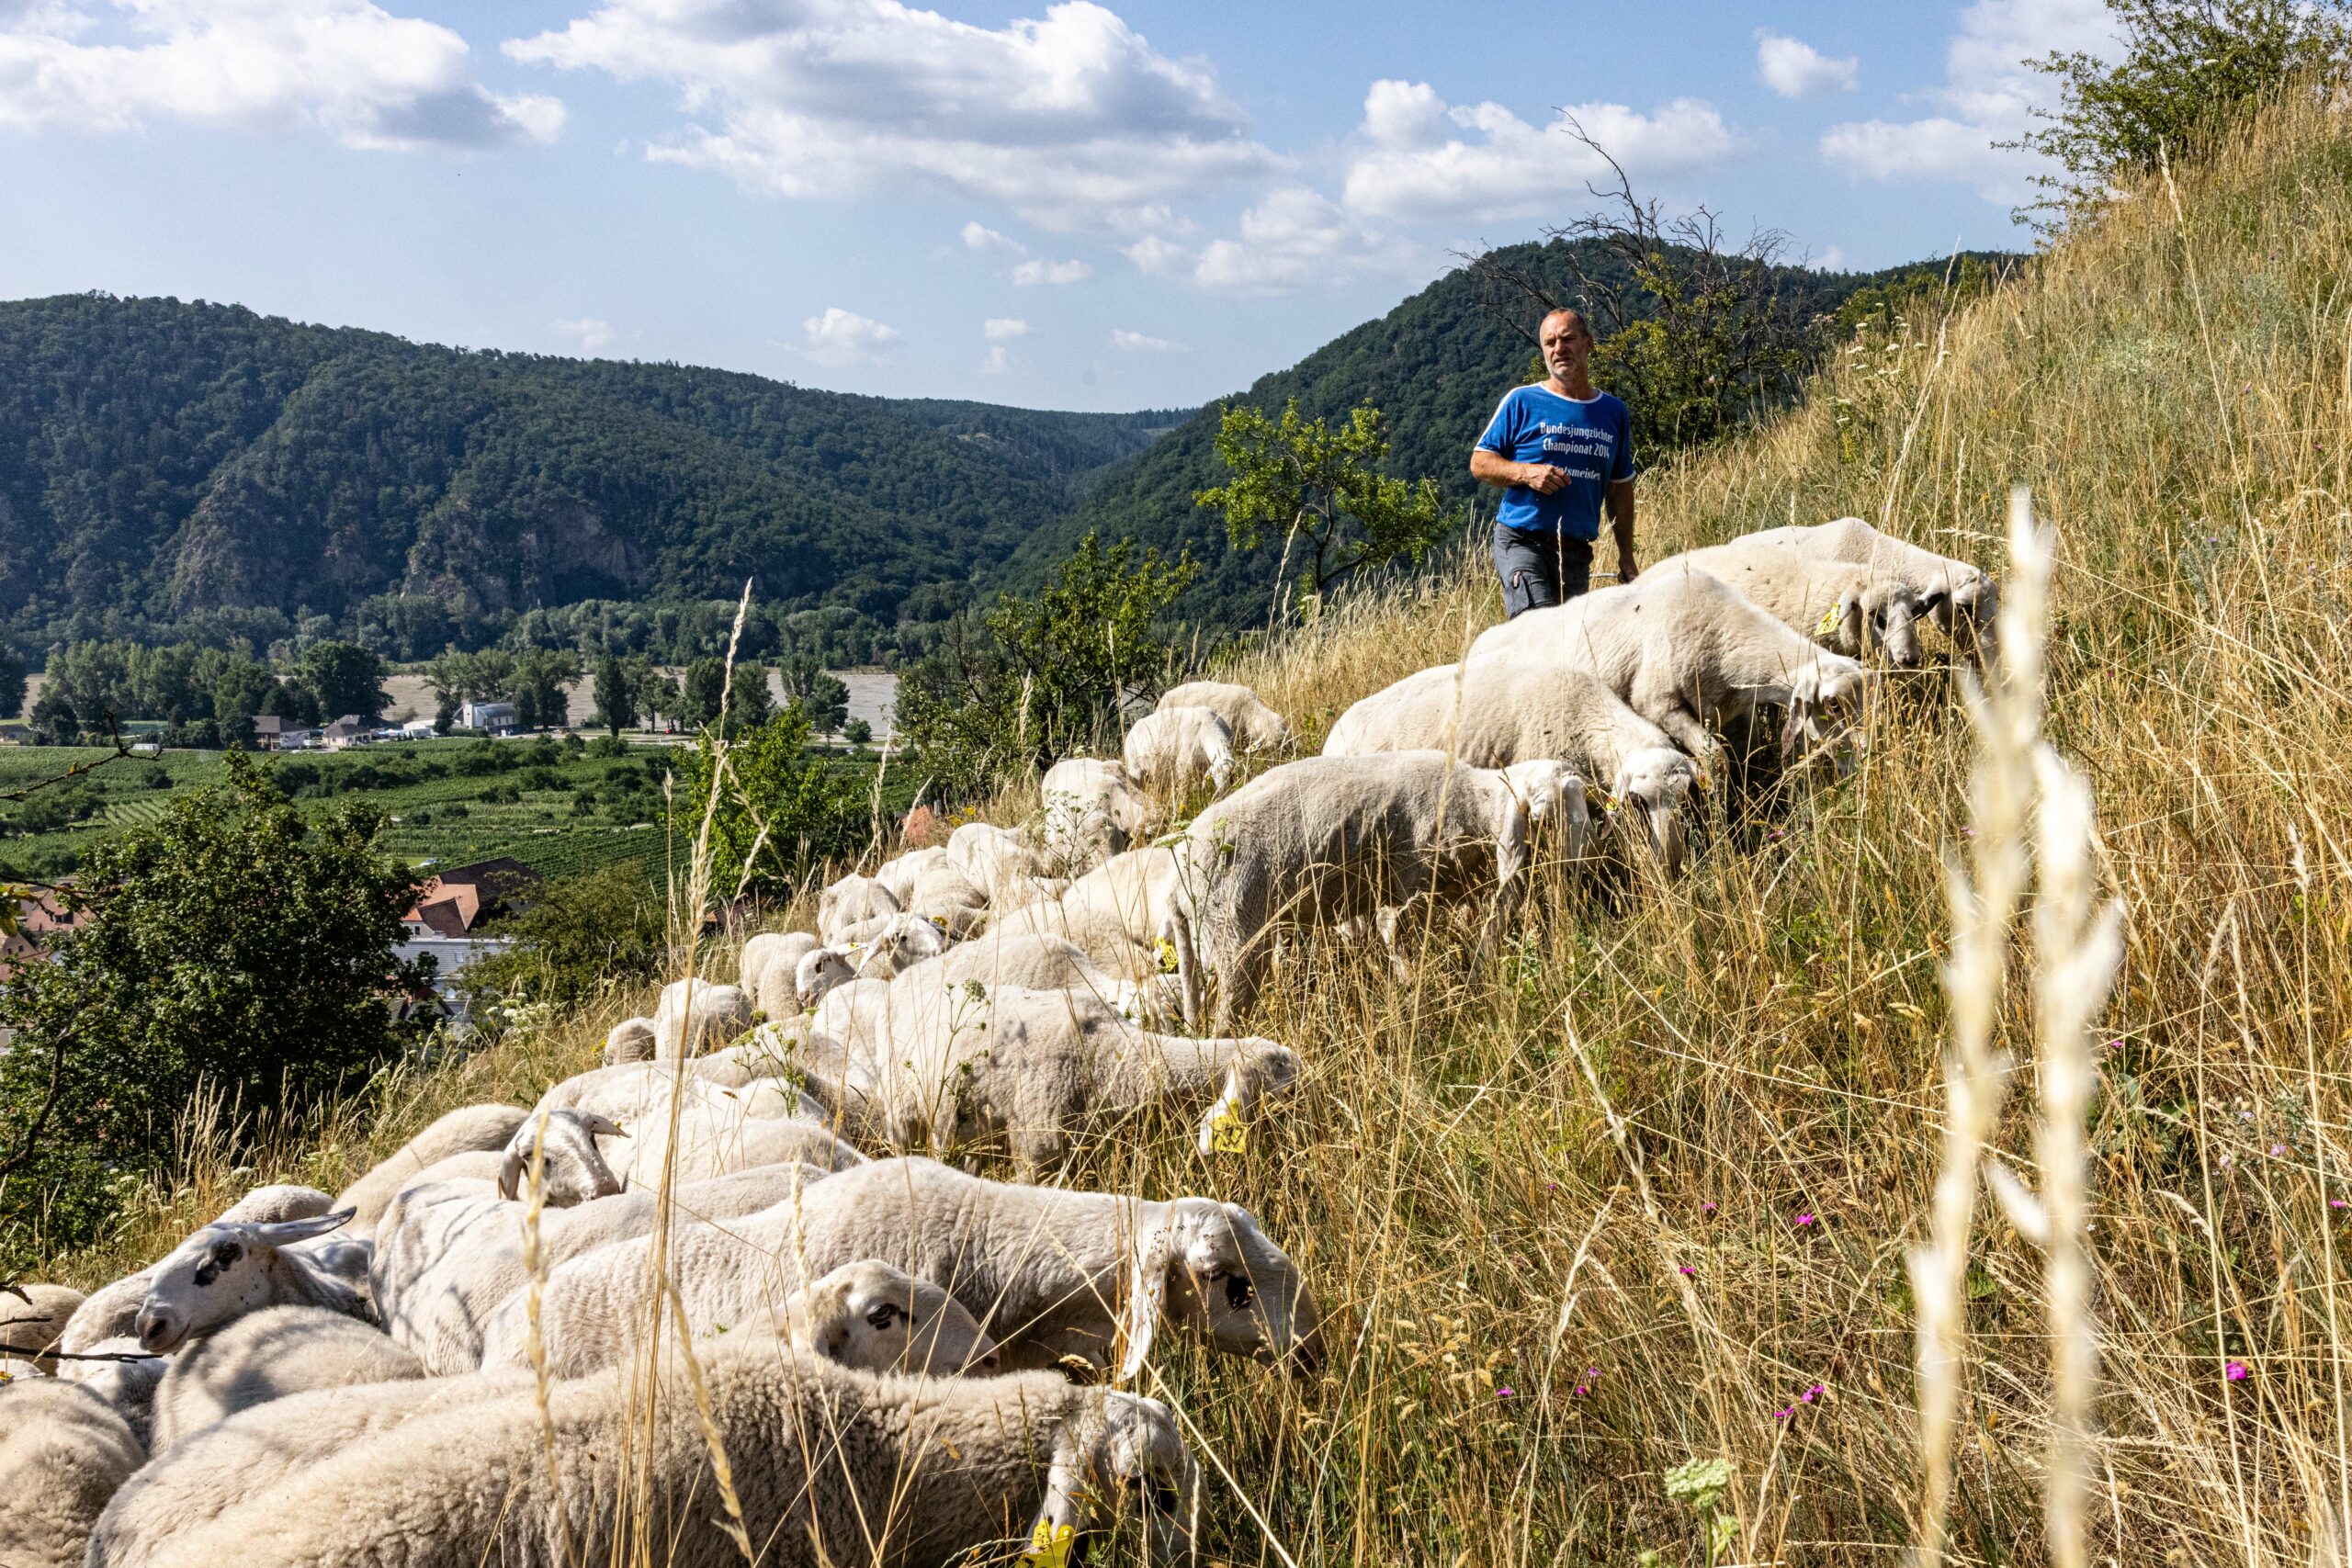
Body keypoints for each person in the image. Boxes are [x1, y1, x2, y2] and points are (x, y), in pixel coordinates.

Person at [1470, 308, 1636, 617]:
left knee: (1566, 646)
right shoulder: (1522, 401)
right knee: (1539, 628)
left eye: (1568, 339)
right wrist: (1527, 473)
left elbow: (1620, 489)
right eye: (1550, 343)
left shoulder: (1614, 412)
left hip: (1575, 553)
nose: (1559, 349)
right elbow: (1480, 462)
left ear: (1589, 343)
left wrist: (1626, 555)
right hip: (1522, 541)